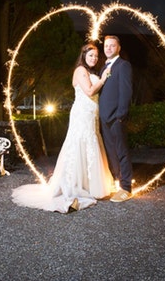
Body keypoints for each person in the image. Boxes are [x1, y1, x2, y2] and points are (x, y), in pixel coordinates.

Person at [11, 43, 114, 213]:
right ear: (83, 56)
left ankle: (90, 184)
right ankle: (76, 185)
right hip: (82, 114)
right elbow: (89, 91)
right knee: (80, 144)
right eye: (90, 55)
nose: (94, 58)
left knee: (90, 143)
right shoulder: (80, 70)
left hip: (91, 114)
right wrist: (103, 79)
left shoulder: (90, 72)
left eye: (96, 56)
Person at [99, 35, 133, 202]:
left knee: (121, 152)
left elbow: (126, 92)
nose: (109, 48)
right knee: (111, 153)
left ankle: (126, 187)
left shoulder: (123, 66)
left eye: (112, 46)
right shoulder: (104, 67)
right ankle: (117, 182)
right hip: (104, 118)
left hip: (116, 118)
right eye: (106, 46)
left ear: (118, 48)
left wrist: (121, 115)